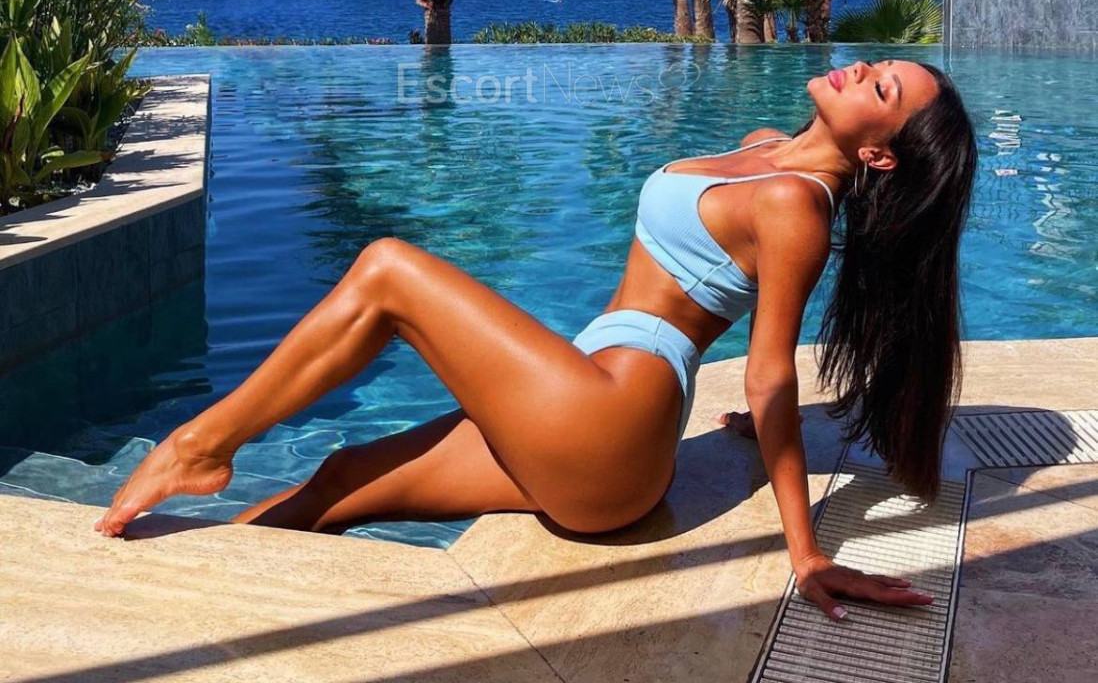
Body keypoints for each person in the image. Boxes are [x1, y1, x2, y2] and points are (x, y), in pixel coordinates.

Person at [96, 58, 977, 623]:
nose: (863, 71)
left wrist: (806, 552)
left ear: (880, 157)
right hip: (589, 410)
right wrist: (748, 431)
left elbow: (770, 374)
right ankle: (172, 602)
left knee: (389, 270)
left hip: (611, 426)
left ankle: (201, 447)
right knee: (337, 480)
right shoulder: (765, 150)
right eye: (879, 68)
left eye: (881, 91)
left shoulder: (797, 206)